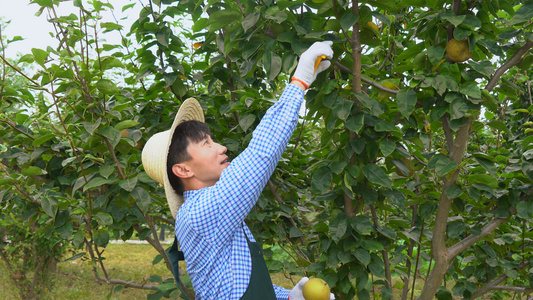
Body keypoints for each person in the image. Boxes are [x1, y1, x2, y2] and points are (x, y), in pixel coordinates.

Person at [142, 41, 335, 300]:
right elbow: (260, 154)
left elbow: (234, 285)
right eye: (206, 143)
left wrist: (287, 297)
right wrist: (299, 82)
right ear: (183, 169)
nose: (221, 147)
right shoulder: (202, 213)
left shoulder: (218, 214)